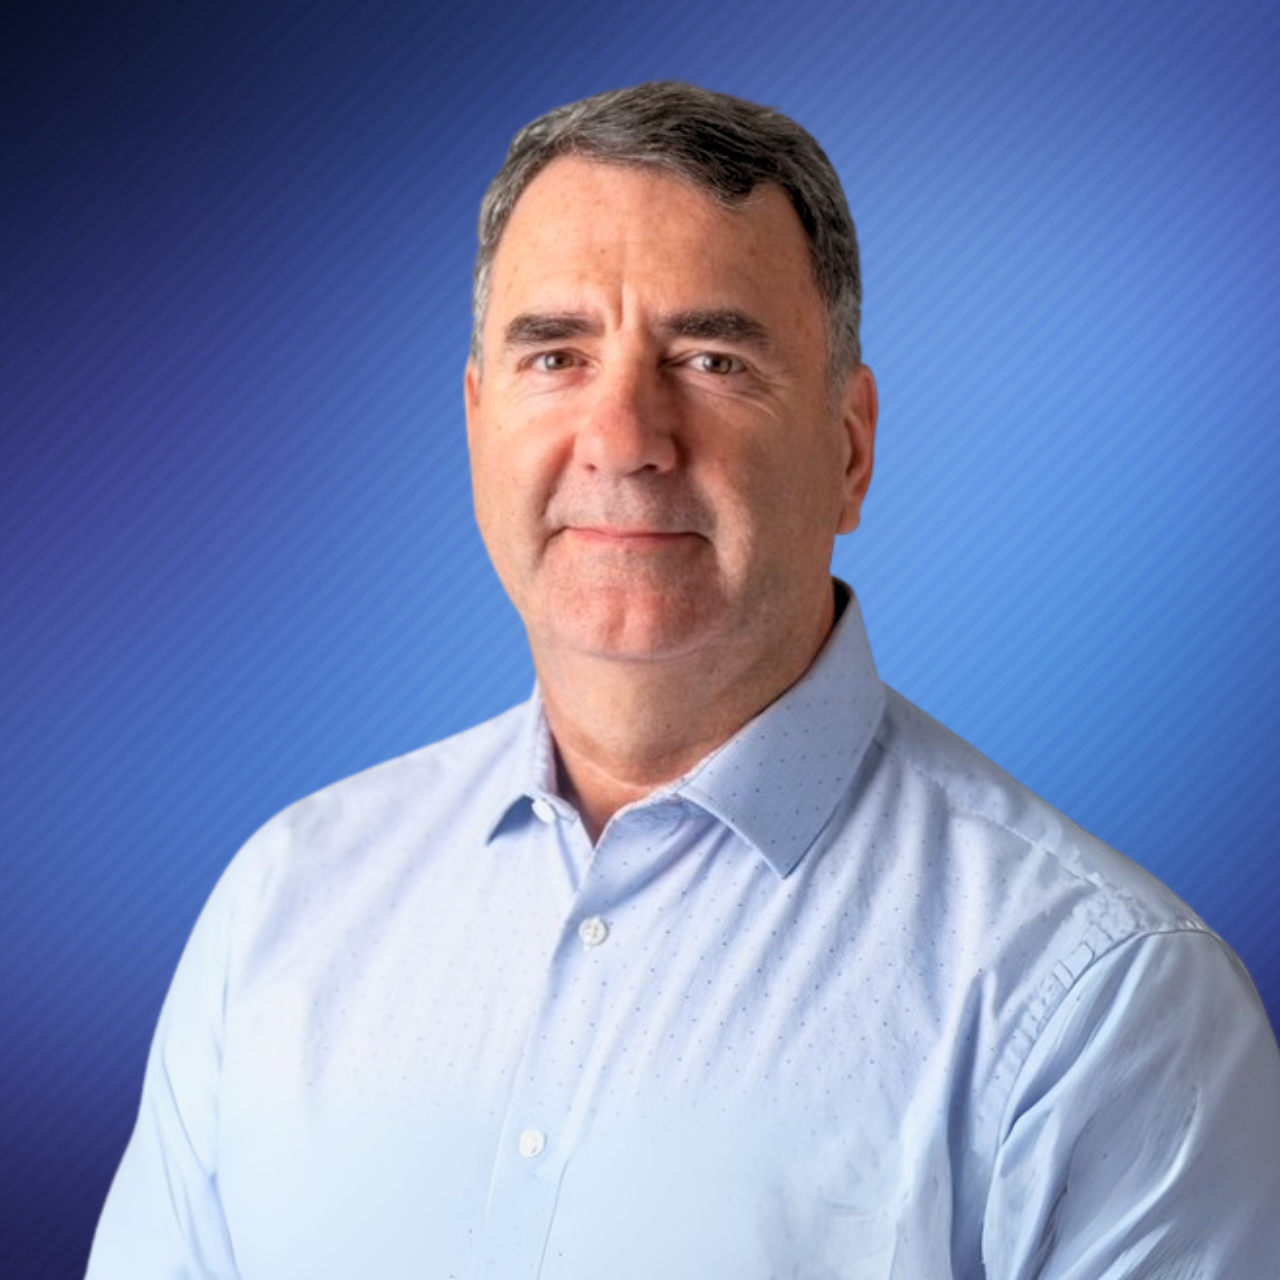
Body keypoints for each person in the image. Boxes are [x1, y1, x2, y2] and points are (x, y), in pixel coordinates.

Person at [88, 82, 1280, 1279]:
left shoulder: (1103, 1005)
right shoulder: (282, 912)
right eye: (554, 355)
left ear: (849, 450)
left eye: (710, 358)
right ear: (474, 422)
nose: (623, 435)